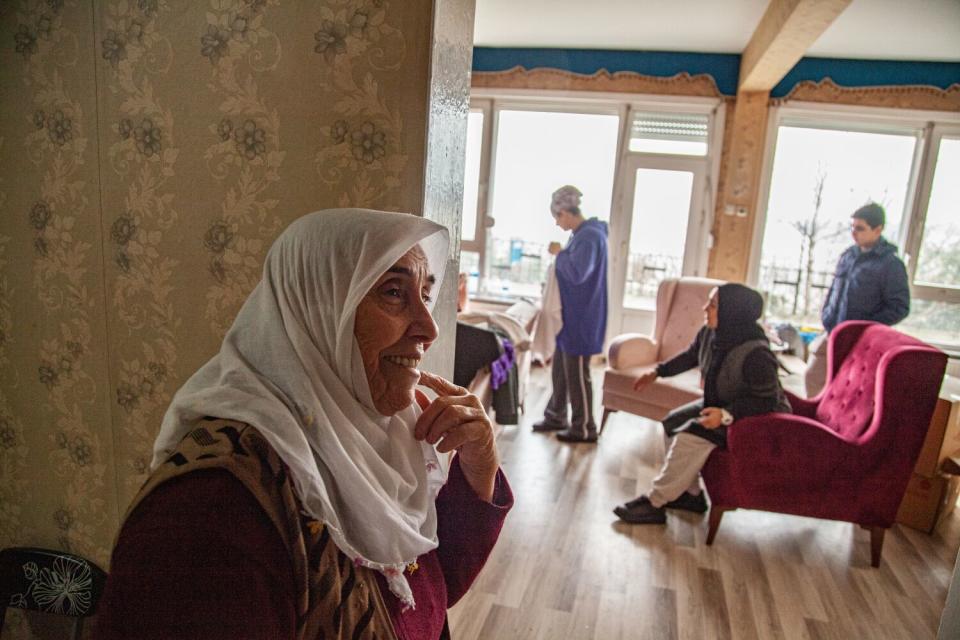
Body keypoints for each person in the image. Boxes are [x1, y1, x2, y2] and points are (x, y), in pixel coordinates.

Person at [96, 209, 513, 640]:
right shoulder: (210, 515)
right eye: (393, 292)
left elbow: (426, 599)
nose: (429, 328)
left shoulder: (384, 439)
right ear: (318, 307)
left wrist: (479, 466)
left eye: (425, 295)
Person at [613, 283, 791, 525]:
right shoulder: (711, 333)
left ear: (732, 312)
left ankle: (655, 502)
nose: (705, 308)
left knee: (689, 436)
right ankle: (691, 495)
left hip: (754, 419)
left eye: (713, 304)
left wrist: (726, 415)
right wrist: (658, 372)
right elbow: (691, 355)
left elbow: (766, 401)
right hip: (719, 403)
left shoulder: (757, 354)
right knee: (671, 423)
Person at [804, 203, 910, 396]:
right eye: (852, 227)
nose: (854, 233)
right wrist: (827, 315)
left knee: (846, 391)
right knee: (813, 377)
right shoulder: (848, 256)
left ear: (878, 229)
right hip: (833, 331)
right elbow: (835, 290)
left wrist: (865, 328)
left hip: (861, 340)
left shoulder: (891, 265)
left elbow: (900, 307)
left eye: (860, 228)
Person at [532, 185, 609, 443]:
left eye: (557, 217)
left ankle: (586, 427)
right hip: (573, 317)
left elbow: (578, 273)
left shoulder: (589, 237)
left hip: (582, 318)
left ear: (565, 212)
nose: (556, 223)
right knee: (561, 370)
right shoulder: (584, 235)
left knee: (577, 374)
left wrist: (559, 253)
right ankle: (556, 415)